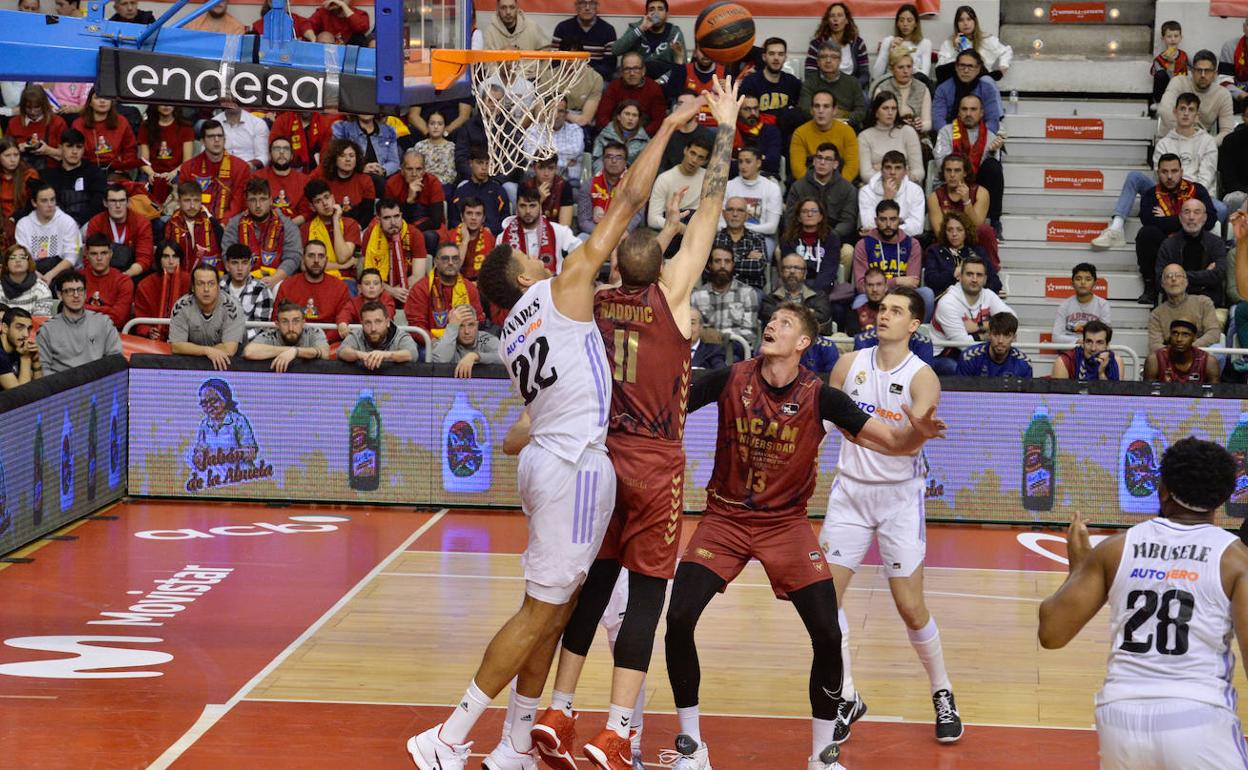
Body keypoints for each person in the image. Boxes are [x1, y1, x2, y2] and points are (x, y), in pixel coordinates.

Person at [406, 84, 704, 770]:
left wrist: (662, 238)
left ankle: (516, 743)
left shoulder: (517, 330)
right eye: (527, 256)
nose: (539, 256)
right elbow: (628, 196)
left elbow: (628, 276)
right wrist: (671, 125)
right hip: (572, 467)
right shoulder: (561, 289)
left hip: (550, 460)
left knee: (555, 607)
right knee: (543, 613)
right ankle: (449, 738)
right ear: (522, 276)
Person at [523, 86, 739, 770]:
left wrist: (658, 221)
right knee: (647, 596)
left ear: (620, 265)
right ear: (665, 271)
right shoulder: (674, 300)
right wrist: (724, 128)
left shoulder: (591, 300)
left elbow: (635, 225)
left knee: (593, 585)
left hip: (599, 457)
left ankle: (559, 707)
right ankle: (617, 732)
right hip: (656, 462)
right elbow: (711, 206)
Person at [669, 297, 946, 770]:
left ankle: (822, 756)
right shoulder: (734, 377)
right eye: (770, 318)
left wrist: (918, 432)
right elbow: (667, 403)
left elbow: (897, 443)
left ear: (802, 342)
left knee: (826, 634)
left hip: (785, 526)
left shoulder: (822, 396)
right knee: (678, 620)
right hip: (726, 519)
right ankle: (692, 747)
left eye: (783, 322)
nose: (770, 324)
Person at [1037, 437, 1248, 770]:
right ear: (1223, 498)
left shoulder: (1116, 549)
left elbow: (1051, 633)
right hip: (1198, 716)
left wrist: (1078, 567)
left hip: (1120, 720)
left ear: (1162, 489)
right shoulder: (1235, 560)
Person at [819, 285, 961, 746]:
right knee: (824, 603)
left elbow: (906, 443)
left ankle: (942, 691)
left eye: (896, 311)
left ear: (913, 325)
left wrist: (904, 435)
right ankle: (847, 696)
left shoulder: (923, 379)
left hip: (899, 498)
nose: (885, 315)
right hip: (850, 496)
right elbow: (823, 424)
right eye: (882, 308)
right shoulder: (848, 364)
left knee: (910, 607)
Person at [1098, 154, 1217, 304]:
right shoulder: (1150, 195)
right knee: (1147, 234)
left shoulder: (1197, 190)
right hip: (1166, 246)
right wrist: (1188, 219)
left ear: (1181, 171)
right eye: (1164, 171)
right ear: (1157, 173)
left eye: (1174, 171)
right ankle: (1151, 287)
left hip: (1193, 243)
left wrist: (1168, 219)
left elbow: (1210, 219)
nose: (1169, 176)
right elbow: (1149, 221)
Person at [930, 255, 1013, 373]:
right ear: (960, 277)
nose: (974, 279)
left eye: (979, 275)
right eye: (969, 274)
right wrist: (987, 336)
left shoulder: (988, 295)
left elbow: (1011, 320)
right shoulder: (948, 302)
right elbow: (963, 344)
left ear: (985, 279)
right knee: (958, 368)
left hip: (975, 348)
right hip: (943, 355)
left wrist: (980, 325)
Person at [853, 200, 930, 319]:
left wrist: (885, 285)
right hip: (873, 295)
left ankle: (917, 333)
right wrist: (897, 281)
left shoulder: (912, 244)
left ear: (899, 220)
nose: (888, 224)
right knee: (859, 301)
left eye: (893, 219)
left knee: (927, 294)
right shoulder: (863, 244)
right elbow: (861, 286)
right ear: (876, 221)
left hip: (903, 295)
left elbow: (913, 283)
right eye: (883, 219)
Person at [221, 178, 304, 287]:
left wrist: (275, 279)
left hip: (277, 280)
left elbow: (293, 257)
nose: (258, 205)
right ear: (246, 202)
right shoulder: (235, 224)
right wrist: (246, 280)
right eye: (253, 200)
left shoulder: (286, 224)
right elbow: (227, 255)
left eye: (263, 199)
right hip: (242, 279)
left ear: (270, 200)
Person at [36, 270, 122, 374]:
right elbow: (43, 368)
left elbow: (115, 360)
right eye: (69, 291)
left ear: (85, 293)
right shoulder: (47, 330)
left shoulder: (104, 323)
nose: (76, 295)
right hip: (63, 387)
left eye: (80, 290)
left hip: (97, 384)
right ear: (59, 295)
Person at [169, 263, 245, 371]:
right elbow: (176, 346)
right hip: (192, 368)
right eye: (200, 284)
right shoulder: (181, 306)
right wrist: (207, 351)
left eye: (211, 284)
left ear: (218, 287)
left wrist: (195, 350)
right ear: (193, 287)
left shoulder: (232, 307)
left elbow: (229, 349)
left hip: (231, 367)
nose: (206, 289)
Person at [273, 240, 352, 342]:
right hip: (291, 340)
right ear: (303, 259)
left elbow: (343, 321)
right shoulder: (287, 285)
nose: (316, 260)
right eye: (311, 255)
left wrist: (320, 341)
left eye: (321, 256)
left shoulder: (340, 287)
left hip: (328, 344)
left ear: (326, 260)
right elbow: (277, 318)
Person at [927, 154, 997, 268]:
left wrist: (967, 202)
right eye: (948, 170)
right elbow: (940, 233)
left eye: (957, 170)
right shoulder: (935, 197)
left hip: (973, 241)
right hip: (948, 241)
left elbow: (977, 226)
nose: (952, 175)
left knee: (986, 230)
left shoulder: (981, 192)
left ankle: (990, 271)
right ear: (943, 172)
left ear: (965, 173)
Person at [404, 241, 484, 341]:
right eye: (445, 259)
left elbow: (479, 319)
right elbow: (416, 326)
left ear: (459, 262)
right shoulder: (420, 288)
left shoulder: (469, 288)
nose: (450, 262)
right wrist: (439, 344)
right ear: (436, 262)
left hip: (465, 342)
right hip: (431, 345)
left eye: (455, 258)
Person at [1156, 199, 1227, 306]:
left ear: (1204, 218)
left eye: (1197, 212)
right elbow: (1160, 280)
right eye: (1187, 212)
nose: (1191, 217)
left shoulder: (1216, 243)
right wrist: (1203, 279)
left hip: (1208, 302)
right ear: (1180, 217)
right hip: (1175, 302)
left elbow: (1218, 275)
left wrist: (1177, 278)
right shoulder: (1168, 245)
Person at [178, 119, 251, 223]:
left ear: (224, 140)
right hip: (195, 222)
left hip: (229, 226)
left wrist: (223, 224)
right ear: (202, 141)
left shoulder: (241, 168)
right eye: (211, 136)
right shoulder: (188, 167)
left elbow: (238, 204)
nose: (216, 140)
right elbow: (185, 202)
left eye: (220, 136)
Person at [784, 142, 858, 245]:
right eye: (819, 158)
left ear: (835, 164)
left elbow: (848, 222)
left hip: (835, 239)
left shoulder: (848, 189)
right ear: (814, 161)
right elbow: (790, 218)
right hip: (802, 238)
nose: (822, 162)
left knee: (848, 252)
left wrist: (831, 236)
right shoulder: (798, 186)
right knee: (779, 251)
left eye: (828, 159)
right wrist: (805, 236)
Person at [1157, 50, 1234, 145]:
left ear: (1215, 74)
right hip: (1170, 141)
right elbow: (1164, 111)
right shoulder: (1178, 82)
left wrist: (1206, 144)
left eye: (1207, 71)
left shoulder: (1223, 94)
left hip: (1200, 147)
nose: (1203, 75)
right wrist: (1187, 137)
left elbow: (1227, 131)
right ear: (1192, 72)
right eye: (1199, 70)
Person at [691, 246, 758, 354]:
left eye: (727, 261)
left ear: (732, 264)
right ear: (710, 265)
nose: (722, 266)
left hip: (736, 353)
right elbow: (692, 329)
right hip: (705, 354)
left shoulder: (748, 293)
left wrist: (721, 337)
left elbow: (750, 333)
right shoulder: (696, 296)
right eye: (717, 261)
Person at [610, 0, 686, 92]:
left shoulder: (675, 33)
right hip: (638, 78)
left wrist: (661, 81)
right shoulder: (637, 28)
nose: (656, 13)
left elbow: (682, 64)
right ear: (646, 14)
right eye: (651, 9)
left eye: (660, 9)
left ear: (667, 15)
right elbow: (616, 50)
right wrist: (641, 28)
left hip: (664, 81)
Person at [500, 189, 580, 276]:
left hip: (552, 286)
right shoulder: (503, 237)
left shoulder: (560, 231)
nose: (528, 211)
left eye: (532, 206)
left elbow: (582, 253)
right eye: (523, 206)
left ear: (540, 207)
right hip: (516, 288)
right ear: (517, 209)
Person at [922, 210, 1000, 298]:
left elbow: (995, 282)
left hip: (976, 298)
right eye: (950, 230)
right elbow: (931, 280)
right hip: (946, 298)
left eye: (959, 230)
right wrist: (954, 272)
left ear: (966, 232)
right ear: (945, 232)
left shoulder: (977, 251)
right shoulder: (935, 251)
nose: (954, 234)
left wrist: (978, 287)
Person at [16, 182, 82, 286]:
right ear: (34, 203)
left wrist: (50, 275)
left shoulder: (68, 222)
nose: (50, 205)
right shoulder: (23, 224)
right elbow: (23, 256)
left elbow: (71, 258)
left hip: (61, 271)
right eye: (44, 201)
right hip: (32, 270)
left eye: (52, 200)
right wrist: (35, 274)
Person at [84, 183, 155, 279]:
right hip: (101, 272)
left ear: (128, 202)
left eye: (122, 201)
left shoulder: (141, 223)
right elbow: (89, 256)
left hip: (132, 273)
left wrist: (124, 277)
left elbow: (144, 259)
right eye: (113, 201)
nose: (118, 205)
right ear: (105, 203)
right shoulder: (96, 222)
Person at [40, 129, 106, 227]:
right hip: (56, 225)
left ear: (83, 149)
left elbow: (98, 203)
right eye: (69, 146)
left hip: (86, 224)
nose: (74, 151)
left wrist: (78, 222)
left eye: (79, 147)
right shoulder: (49, 175)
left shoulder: (94, 172)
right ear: (60, 148)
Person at [1147, 264, 1220, 352]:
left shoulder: (1203, 302)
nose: (1173, 279)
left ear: (1186, 282)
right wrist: (1176, 351)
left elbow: (1213, 332)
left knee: (1218, 350)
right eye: (1168, 276)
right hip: (1171, 357)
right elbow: (1155, 344)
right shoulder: (1157, 314)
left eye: (1178, 275)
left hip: (1200, 352)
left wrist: (1189, 348)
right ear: (1163, 284)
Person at [242, 299, 330, 372]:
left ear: (303, 323)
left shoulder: (313, 332)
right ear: (277, 324)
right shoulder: (270, 335)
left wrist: (296, 352)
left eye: (296, 321)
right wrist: (290, 350)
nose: (291, 328)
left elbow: (325, 353)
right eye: (284, 322)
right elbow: (248, 352)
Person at [741, 38, 803, 139]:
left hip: (785, 137)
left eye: (780, 54)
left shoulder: (793, 82)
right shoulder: (751, 82)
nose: (776, 58)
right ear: (764, 57)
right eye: (772, 54)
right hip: (757, 135)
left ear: (785, 58)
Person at [596, 52, 669, 138]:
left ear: (643, 71)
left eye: (636, 68)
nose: (632, 73)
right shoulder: (614, 86)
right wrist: (616, 134)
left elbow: (658, 121)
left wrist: (638, 136)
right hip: (614, 135)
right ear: (621, 72)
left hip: (644, 137)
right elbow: (602, 116)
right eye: (627, 69)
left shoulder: (653, 88)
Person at [791, 90, 859, 181]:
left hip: (839, 184)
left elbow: (852, 166)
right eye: (817, 106)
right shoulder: (800, 133)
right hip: (809, 185)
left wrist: (837, 187)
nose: (821, 111)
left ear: (835, 110)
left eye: (826, 106)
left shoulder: (847, 132)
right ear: (811, 110)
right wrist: (813, 187)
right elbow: (797, 169)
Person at [760, 252, 835, 334]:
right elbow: (772, 321)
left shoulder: (819, 296)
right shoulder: (770, 299)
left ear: (805, 273)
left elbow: (823, 319)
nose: (792, 271)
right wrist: (809, 312)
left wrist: (785, 315)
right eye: (787, 267)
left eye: (797, 268)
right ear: (781, 272)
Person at [858, 91, 924, 185]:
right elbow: (865, 174)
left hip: (906, 186)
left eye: (894, 108)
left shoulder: (908, 132)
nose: (890, 112)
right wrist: (901, 171)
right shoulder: (864, 137)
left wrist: (880, 169)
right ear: (876, 112)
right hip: (876, 188)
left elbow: (919, 172)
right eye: (885, 108)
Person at [302, 178, 362, 279]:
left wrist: (335, 220)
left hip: (345, 280)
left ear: (333, 198)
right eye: (318, 201)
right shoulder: (306, 229)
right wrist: (342, 266)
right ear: (312, 207)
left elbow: (342, 257)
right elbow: (304, 266)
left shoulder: (350, 224)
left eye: (326, 197)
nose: (325, 203)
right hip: (315, 279)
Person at [779, 198, 842, 295]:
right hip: (795, 288)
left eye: (814, 211)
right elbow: (790, 269)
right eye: (805, 211)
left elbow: (829, 271)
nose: (809, 214)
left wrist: (814, 293)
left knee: (837, 309)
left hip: (822, 290)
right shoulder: (787, 239)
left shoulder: (832, 239)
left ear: (821, 217)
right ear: (799, 217)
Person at [648, 137, 710, 233]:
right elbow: (652, 220)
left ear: (705, 161)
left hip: (697, 227)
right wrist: (678, 227)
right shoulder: (664, 179)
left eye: (700, 157)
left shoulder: (708, 178)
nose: (694, 160)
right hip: (670, 226)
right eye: (692, 153)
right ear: (685, 150)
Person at [579, 143, 643, 236]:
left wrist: (618, 235)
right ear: (603, 160)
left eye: (619, 157)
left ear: (625, 162)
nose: (614, 161)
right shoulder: (589, 185)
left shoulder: (634, 185)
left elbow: (637, 215)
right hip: (596, 233)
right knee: (581, 237)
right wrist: (604, 235)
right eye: (609, 157)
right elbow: (584, 221)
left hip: (624, 234)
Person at [932, 50, 1002, 135]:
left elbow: (992, 121)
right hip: (950, 136)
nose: (966, 70)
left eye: (970, 66)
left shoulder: (987, 89)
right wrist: (953, 138)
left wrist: (978, 139)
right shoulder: (943, 89)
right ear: (956, 67)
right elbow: (938, 121)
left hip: (981, 137)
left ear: (978, 69)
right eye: (962, 66)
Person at [798, 43, 866, 131]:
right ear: (818, 62)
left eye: (834, 57)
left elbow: (861, 111)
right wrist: (842, 114)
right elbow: (806, 110)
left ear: (840, 61)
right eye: (823, 57)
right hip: (817, 128)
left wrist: (842, 122)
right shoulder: (809, 83)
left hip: (846, 127)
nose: (828, 60)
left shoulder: (853, 82)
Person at [858, 151, 926, 238]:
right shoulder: (866, 191)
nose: (892, 172)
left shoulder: (915, 190)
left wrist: (882, 229)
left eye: (898, 168)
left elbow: (917, 228)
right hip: (875, 242)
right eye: (888, 167)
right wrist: (887, 199)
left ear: (905, 171)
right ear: (881, 170)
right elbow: (868, 225)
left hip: (905, 241)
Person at [337, 299, 420, 370]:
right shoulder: (357, 335)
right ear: (362, 324)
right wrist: (362, 355)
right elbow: (341, 351)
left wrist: (386, 355)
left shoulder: (400, 336)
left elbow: (412, 354)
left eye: (378, 322)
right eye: (368, 323)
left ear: (387, 322)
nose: (373, 328)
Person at [935, 5, 1012, 80]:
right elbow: (940, 70)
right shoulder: (948, 43)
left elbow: (1006, 51)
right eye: (961, 20)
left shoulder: (986, 39)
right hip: (958, 82)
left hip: (981, 80)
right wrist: (956, 49)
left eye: (969, 19)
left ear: (974, 21)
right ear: (957, 24)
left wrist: (1003, 67)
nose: (965, 23)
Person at [724, 146, 782, 247]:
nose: (743, 166)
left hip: (761, 237)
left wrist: (741, 228)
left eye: (748, 161)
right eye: (740, 162)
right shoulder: (729, 186)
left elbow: (772, 227)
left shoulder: (772, 188)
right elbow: (720, 222)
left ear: (758, 163)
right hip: (729, 235)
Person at [132, 241, 191, 340]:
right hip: (153, 341)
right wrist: (148, 331)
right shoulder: (145, 285)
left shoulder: (191, 282)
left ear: (180, 260)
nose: (171, 261)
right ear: (159, 259)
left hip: (185, 340)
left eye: (175, 257)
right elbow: (140, 321)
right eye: (166, 256)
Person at [71, 90, 141, 173]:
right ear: (90, 103)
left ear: (112, 102)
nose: (102, 101)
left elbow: (130, 149)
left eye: (107, 98)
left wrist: (124, 167)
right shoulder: (78, 124)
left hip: (116, 171)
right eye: (97, 98)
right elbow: (74, 152)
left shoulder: (122, 121)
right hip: (86, 170)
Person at [804, 2, 868, 90]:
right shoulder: (817, 44)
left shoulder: (858, 43)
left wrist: (855, 86)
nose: (835, 19)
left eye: (840, 15)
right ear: (827, 21)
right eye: (832, 16)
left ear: (846, 20)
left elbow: (865, 73)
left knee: (865, 100)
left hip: (851, 88)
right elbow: (809, 73)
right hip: (824, 88)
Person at [219, 244, 274, 342]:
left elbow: (262, 328)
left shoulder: (262, 290)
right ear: (227, 266)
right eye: (234, 263)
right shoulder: (217, 286)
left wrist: (235, 340)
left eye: (244, 263)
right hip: (218, 341)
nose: (240, 268)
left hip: (249, 344)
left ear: (250, 265)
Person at [551, 0, 618, 81]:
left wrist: (585, 72)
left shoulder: (608, 30)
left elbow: (609, 66)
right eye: (583, 3)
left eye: (591, 3)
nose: (587, 8)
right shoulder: (562, 28)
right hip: (565, 77)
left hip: (595, 78)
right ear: (576, 6)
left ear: (596, 6)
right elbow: (554, 61)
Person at [430, 304, 502, 376]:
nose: (467, 331)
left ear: (477, 325)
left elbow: (504, 356)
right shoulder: (446, 340)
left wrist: (475, 356)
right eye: (461, 326)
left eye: (471, 325)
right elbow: (438, 363)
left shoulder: (485, 339)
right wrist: (452, 327)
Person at [7, 85, 68, 169]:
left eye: (37, 107)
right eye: (28, 107)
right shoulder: (13, 123)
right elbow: (4, 152)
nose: (32, 112)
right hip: (20, 172)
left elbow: (69, 154)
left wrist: (47, 150)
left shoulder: (58, 122)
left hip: (50, 172)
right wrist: (17, 149)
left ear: (44, 105)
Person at [714, 197, 768, 292]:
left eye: (740, 210)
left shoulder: (757, 238)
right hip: (719, 288)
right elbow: (708, 269)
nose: (735, 214)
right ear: (723, 214)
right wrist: (746, 257)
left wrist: (725, 264)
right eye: (730, 210)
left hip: (751, 289)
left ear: (747, 215)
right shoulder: (714, 239)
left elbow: (758, 268)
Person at [450, 147, 509, 233]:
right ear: (470, 163)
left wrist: (492, 230)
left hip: (493, 238)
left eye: (487, 163)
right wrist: (466, 230)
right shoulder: (461, 192)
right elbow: (453, 220)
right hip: (465, 237)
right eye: (480, 163)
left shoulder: (498, 191)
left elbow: (505, 220)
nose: (484, 168)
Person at [166, 181, 224, 270]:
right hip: (180, 275)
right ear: (179, 201)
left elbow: (222, 255)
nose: (192, 206)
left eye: (196, 200)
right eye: (187, 200)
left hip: (207, 276)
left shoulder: (212, 224)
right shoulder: (171, 224)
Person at [319, 138, 376, 226]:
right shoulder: (325, 181)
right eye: (342, 155)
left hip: (359, 227)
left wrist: (356, 228)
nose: (348, 159)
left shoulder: (365, 180)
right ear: (335, 159)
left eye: (351, 156)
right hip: (331, 226)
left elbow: (367, 214)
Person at [254, 137, 311, 226]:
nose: (281, 152)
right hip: (263, 227)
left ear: (292, 155)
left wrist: (287, 227)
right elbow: (252, 206)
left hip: (294, 228)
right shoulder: (257, 177)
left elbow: (306, 213)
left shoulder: (304, 180)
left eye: (286, 148)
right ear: (270, 154)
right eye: (277, 148)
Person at [81, 233, 133, 329]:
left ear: (111, 254)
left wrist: (84, 308)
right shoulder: (77, 278)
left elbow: (118, 319)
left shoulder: (123, 281)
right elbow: (69, 310)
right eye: (94, 254)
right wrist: (107, 309)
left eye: (104, 253)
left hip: (112, 335)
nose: (99, 258)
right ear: (86, 255)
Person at [1052, 262, 1112, 345]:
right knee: (1060, 359)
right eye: (1078, 279)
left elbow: (1106, 335)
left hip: (1094, 349)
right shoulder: (1065, 306)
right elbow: (1056, 337)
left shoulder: (1103, 305)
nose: (1083, 282)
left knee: (1118, 358)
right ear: (1072, 284)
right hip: (1071, 351)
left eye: (1088, 279)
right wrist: (1079, 342)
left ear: (1095, 284)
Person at [871, 52, 932, 135]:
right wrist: (899, 124)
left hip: (917, 135)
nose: (906, 71)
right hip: (888, 134)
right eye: (900, 67)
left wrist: (921, 125)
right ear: (892, 70)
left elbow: (928, 122)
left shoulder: (923, 89)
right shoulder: (882, 89)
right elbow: (876, 120)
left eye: (909, 66)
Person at [955, 312, 1032, 377]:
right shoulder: (969, 358)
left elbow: (1025, 394)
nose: (1000, 341)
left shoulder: (1023, 363)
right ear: (989, 335)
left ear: (1014, 338)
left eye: (1007, 335)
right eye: (996, 334)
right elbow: (960, 393)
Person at [1143, 318, 1220, 383]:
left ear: (1194, 338)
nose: (1179, 339)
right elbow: (1147, 396)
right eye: (1175, 334)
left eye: (1185, 335)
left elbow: (1215, 398)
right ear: (1170, 335)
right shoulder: (1155, 360)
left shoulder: (1208, 362)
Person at [333, 112, 401, 183]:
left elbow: (394, 162)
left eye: (369, 104)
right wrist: (361, 168)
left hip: (381, 179)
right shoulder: (342, 129)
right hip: (354, 178)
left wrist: (382, 170)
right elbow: (337, 158)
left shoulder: (388, 131)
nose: (366, 110)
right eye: (362, 104)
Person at [872, 4, 932, 80]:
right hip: (890, 85)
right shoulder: (889, 41)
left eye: (909, 20)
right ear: (897, 23)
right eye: (901, 20)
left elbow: (924, 76)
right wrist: (889, 51)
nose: (905, 24)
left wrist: (902, 53)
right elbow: (876, 75)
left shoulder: (925, 43)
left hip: (915, 86)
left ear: (916, 23)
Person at [660, 92, 715, 173]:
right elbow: (660, 168)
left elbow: (712, 170)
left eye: (689, 105)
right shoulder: (667, 135)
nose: (683, 108)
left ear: (698, 109)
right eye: (680, 104)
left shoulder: (710, 137)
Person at [1050, 320, 1122, 380]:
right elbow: (1059, 397)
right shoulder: (1064, 362)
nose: (1093, 348)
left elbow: (1114, 396)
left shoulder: (1116, 361)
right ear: (1083, 342)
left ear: (1107, 345)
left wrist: (1101, 373)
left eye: (1099, 342)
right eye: (1089, 341)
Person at [269, 110, 336, 172]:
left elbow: (326, 154)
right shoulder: (283, 121)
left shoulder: (324, 123)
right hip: (286, 169)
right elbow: (274, 151)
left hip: (315, 171)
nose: (306, 108)